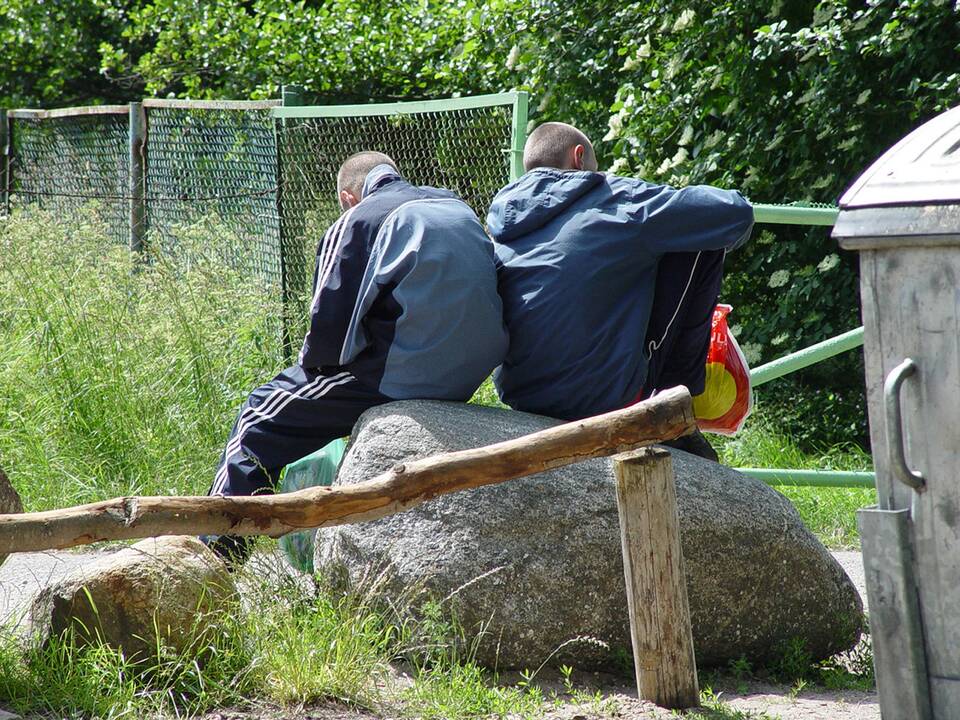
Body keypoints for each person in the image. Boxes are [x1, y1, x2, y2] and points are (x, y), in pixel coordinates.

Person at [204, 151, 508, 563]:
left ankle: (215, 557)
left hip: (399, 378)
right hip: (470, 375)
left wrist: (306, 374)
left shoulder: (360, 220)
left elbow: (327, 341)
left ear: (349, 197)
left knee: (258, 417)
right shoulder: (455, 207)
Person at [486, 122, 754, 460]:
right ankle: (675, 403)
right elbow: (735, 213)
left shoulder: (501, 221)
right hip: (599, 401)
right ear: (579, 158)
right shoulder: (617, 199)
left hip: (521, 395)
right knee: (701, 239)